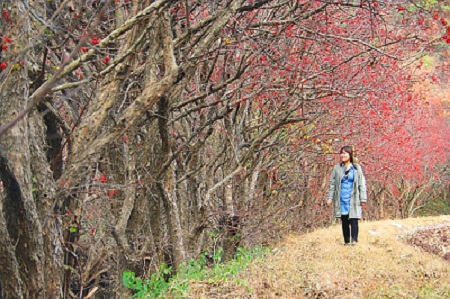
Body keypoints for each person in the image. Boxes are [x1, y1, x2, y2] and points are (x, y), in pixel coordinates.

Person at [326, 145, 367, 245]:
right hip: (341, 197)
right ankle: (346, 241)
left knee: (354, 219)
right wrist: (330, 197)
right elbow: (332, 184)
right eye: (341, 153)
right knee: (344, 219)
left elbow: (362, 184)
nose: (342, 155)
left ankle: (354, 240)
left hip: (353, 197)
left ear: (350, 154)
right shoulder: (337, 168)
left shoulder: (357, 168)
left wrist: (363, 198)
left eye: (345, 153)